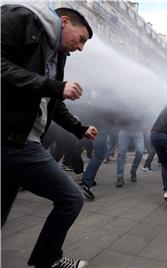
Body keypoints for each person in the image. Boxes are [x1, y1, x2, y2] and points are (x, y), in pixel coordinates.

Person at [1, 3, 96, 268]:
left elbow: (53, 98)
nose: (80, 48)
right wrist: (53, 85)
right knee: (71, 198)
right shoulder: (19, 18)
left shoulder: (57, 53)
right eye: (81, 40)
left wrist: (79, 129)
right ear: (64, 22)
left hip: (18, 138)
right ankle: (48, 260)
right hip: (12, 138)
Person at [116, 115, 145, 187]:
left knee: (140, 152)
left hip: (138, 132)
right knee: (121, 153)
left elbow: (147, 117)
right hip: (125, 131)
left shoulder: (142, 106)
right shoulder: (126, 106)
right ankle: (120, 177)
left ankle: (133, 170)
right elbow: (119, 117)